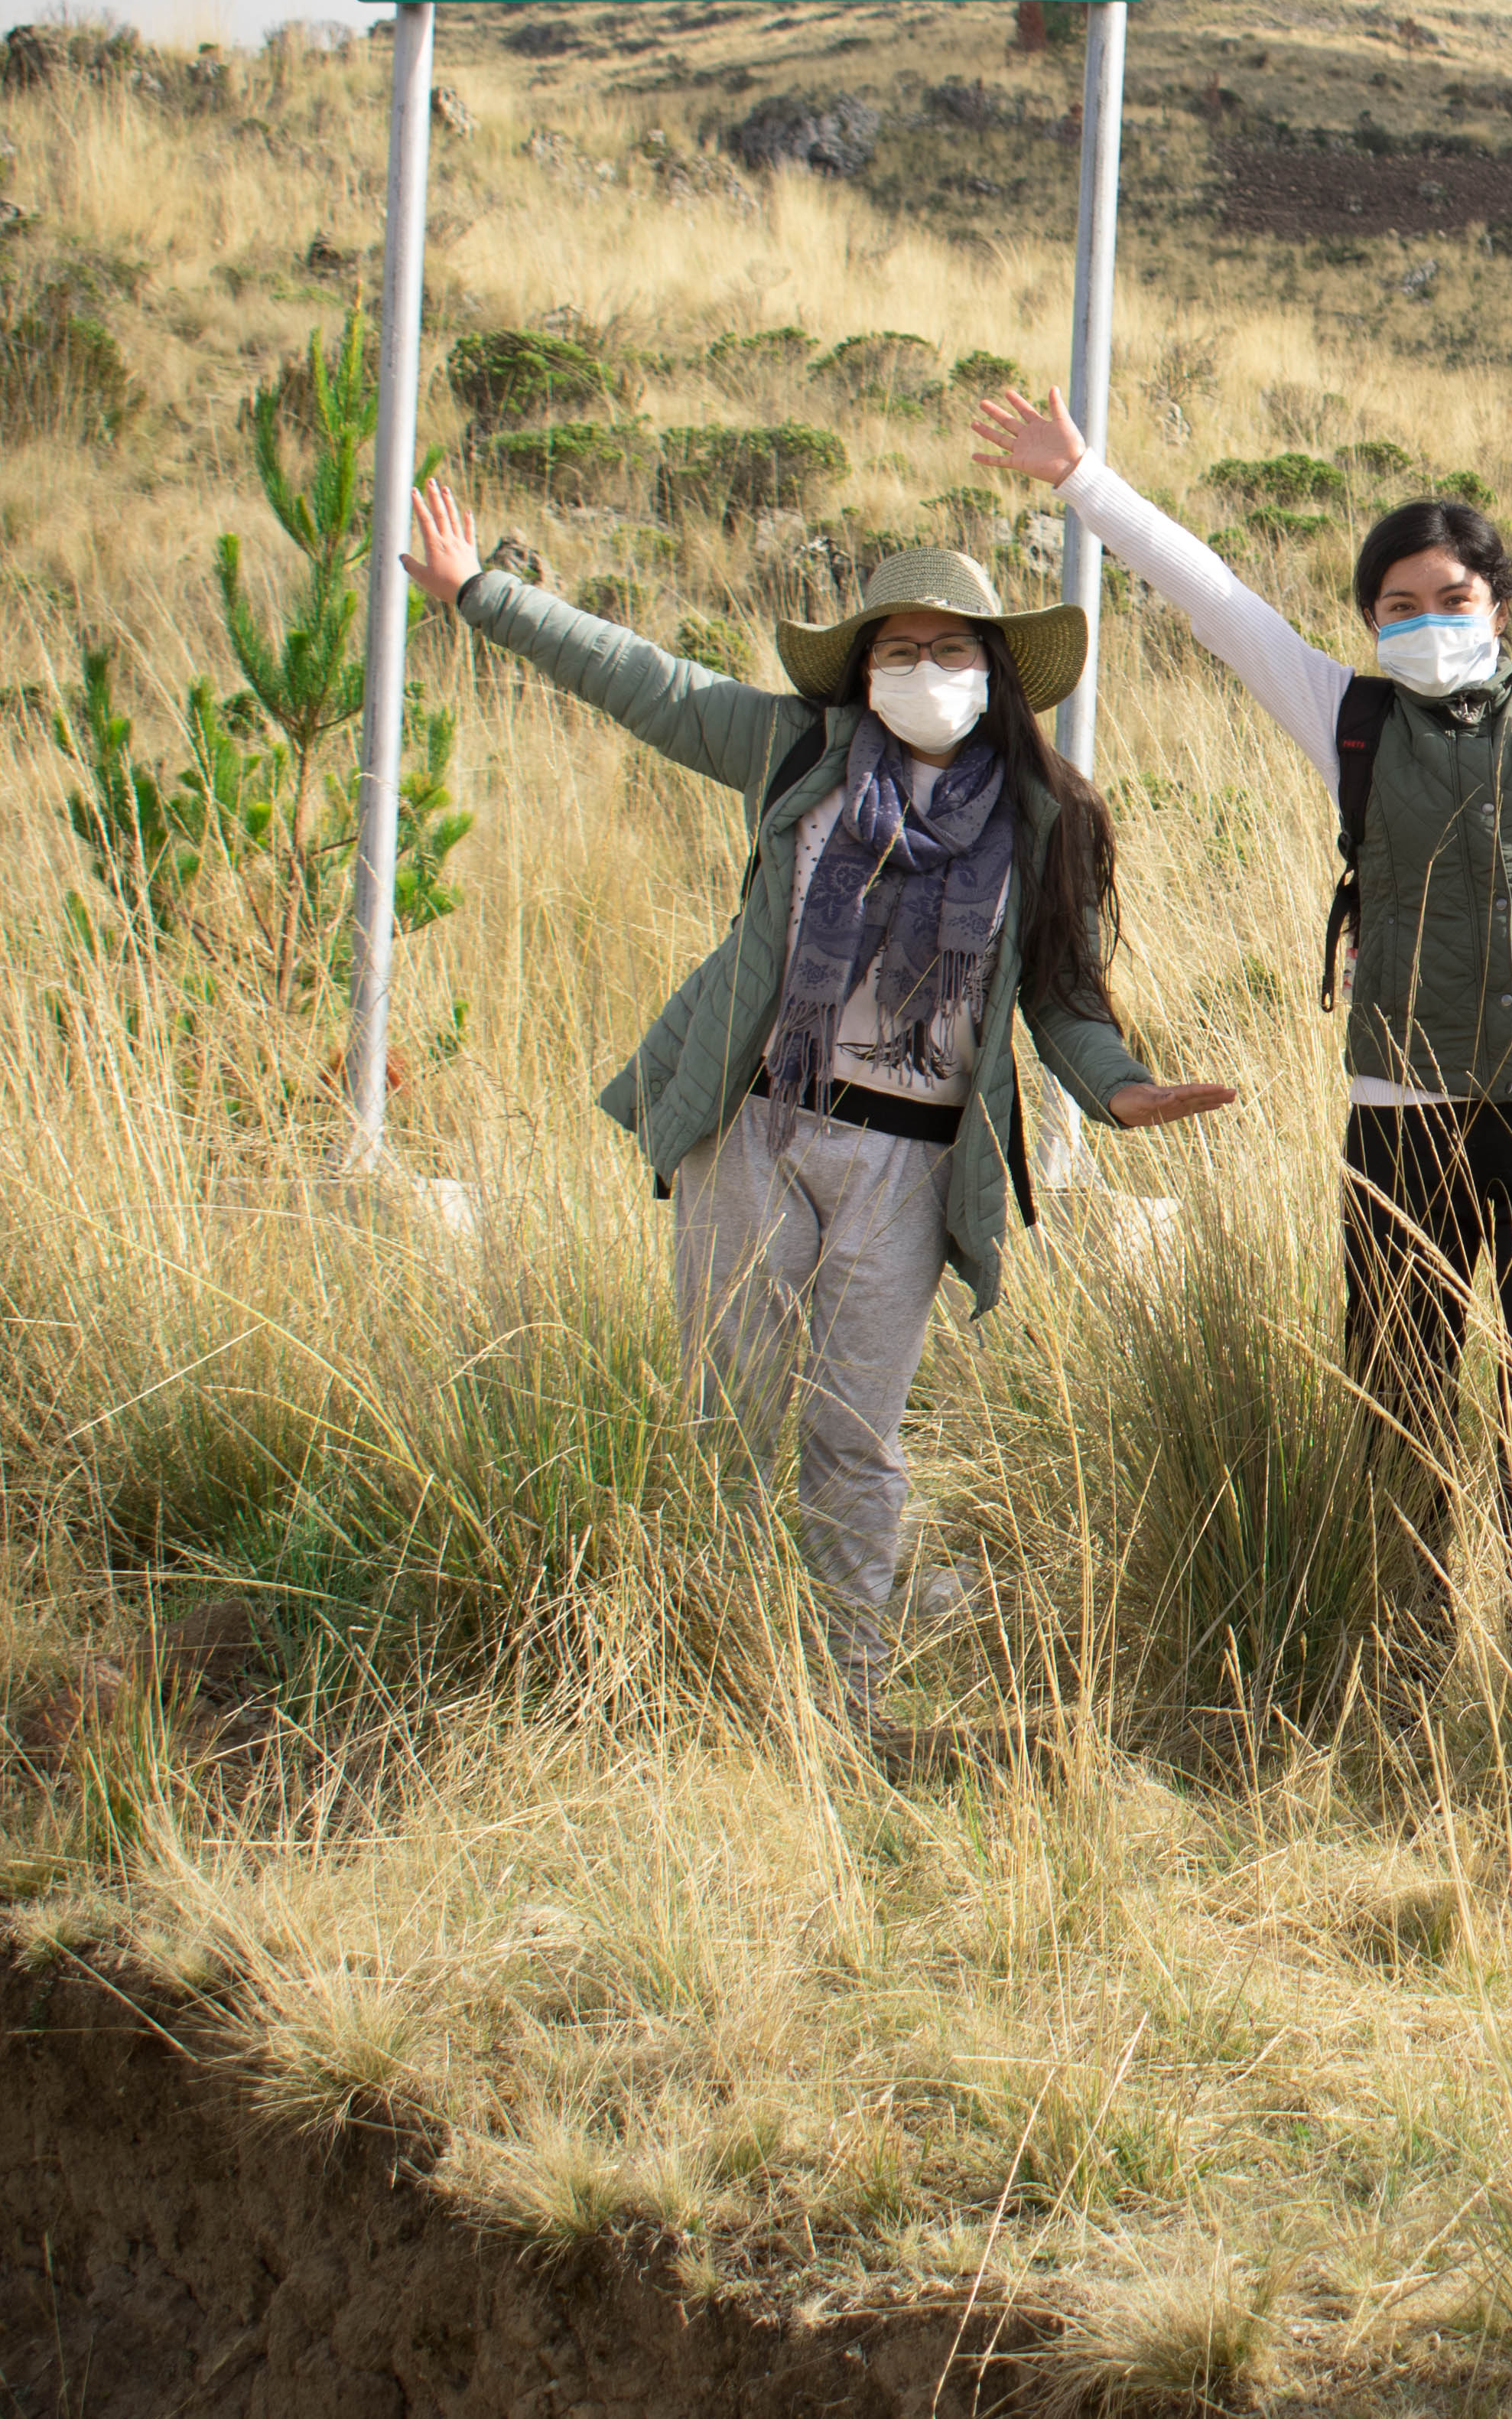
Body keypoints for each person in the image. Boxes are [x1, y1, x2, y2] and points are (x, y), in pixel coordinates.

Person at [968, 233, 1512, 1629]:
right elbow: (1212, 599)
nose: (1429, 624)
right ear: (1368, 626)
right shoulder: (1349, 719)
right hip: (1404, 1108)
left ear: (1498, 609)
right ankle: (1410, 1643)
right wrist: (1083, 482)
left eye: (1453, 603)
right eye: (1398, 608)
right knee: (1399, 1405)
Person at [399, 480, 1237, 1724]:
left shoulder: (1049, 818)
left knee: (856, 1437)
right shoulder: (796, 750)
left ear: (995, 671)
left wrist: (1117, 1092)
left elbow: (1060, 996)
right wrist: (480, 593)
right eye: (899, 651)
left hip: (909, 1167)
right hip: (756, 1127)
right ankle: (729, 1689)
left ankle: (842, 1703)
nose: (926, 670)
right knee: (726, 1419)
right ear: (860, 673)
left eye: (951, 650)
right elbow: (641, 679)